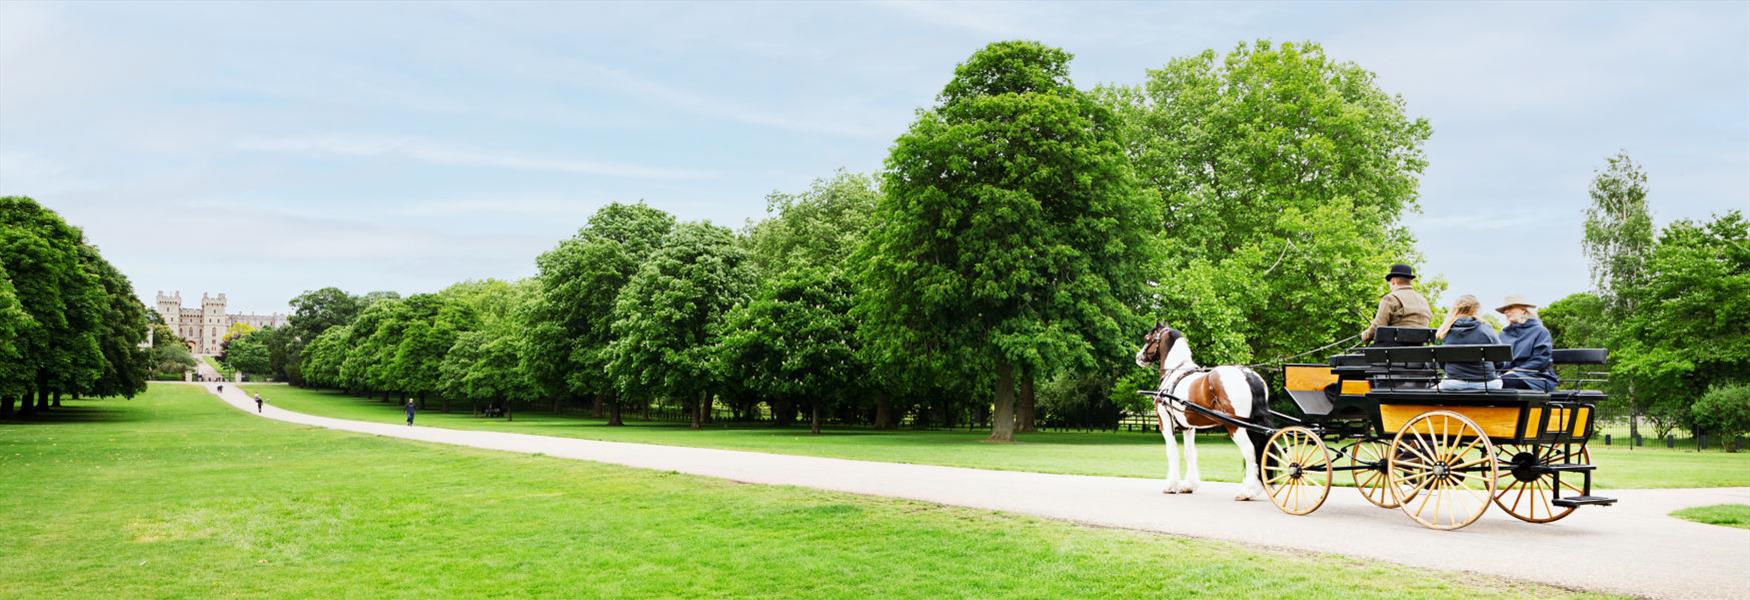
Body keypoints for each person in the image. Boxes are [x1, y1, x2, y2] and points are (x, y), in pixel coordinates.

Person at [1434, 295, 1504, 391]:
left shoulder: (1446, 330)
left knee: (1436, 387)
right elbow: (1500, 360)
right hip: (1486, 383)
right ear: (1476, 309)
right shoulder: (1486, 328)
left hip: (1454, 383)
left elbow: (1442, 363)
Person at [1496, 294, 1559, 391]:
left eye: (1510, 307)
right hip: (1507, 375)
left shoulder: (1540, 332)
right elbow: (1500, 361)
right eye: (1505, 309)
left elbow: (1540, 360)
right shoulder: (1503, 334)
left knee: (1505, 380)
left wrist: (1514, 371)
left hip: (1536, 376)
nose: (1506, 312)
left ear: (1523, 310)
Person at [1360, 263, 1433, 344]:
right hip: (1419, 350)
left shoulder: (1390, 298)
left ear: (1394, 281)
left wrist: (1366, 335)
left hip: (1392, 350)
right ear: (1410, 281)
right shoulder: (1423, 301)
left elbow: (1378, 326)